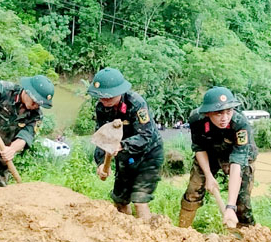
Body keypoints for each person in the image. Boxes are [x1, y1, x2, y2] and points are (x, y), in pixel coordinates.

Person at [89, 68, 164, 219]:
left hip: (148, 154)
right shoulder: (101, 108)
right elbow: (102, 137)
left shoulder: (136, 103)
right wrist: (101, 164)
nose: (104, 101)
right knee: (120, 199)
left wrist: (121, 145)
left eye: (108, 97)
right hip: (125, 157)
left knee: (139, 200)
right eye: (100, 97)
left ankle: (144, 237)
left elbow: (145, 135)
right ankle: (126, 235)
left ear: (119, 92)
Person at [179, 87, 259, 230]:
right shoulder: (196, 119)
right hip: (209, 154)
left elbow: (237, 164)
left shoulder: (240, 125)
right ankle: (182, 232)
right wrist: (209, 176)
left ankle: (246, 239)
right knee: (193, 191)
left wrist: (229, 206)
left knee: (241, 203)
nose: (225, 118)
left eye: (229, 112)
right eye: (218, 113)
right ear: (208, 113)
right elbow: (199, 147)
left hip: (238, 158)